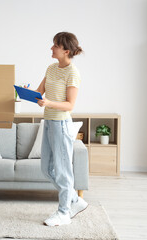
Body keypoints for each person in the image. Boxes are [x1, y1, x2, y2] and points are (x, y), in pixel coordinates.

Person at [30, 32, 88, 226]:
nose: (51, 48)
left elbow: (70, 105)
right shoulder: (51, 68)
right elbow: (39, 93)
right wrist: (25, 92)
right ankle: (75, 200)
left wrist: (48, 103)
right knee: (46, 169)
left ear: (66, 51)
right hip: (48, 122)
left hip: (61, 124)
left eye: (55, 45)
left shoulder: (73, 73)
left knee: (63, 172)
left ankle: (64, 213)